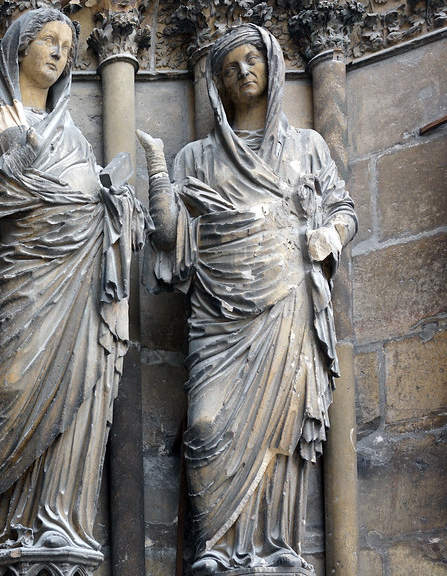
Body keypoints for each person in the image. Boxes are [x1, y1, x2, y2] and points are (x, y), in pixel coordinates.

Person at [137, 24, 356, 575]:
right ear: (216, 85)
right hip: (217, 315)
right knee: (207, 424)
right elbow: (169, 239)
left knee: (280, 435)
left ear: (274, 66)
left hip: (287, 304)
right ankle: (215, 546)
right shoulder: (195, 159)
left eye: (253, 59)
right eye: (230, 66)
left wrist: (331, 235)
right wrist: (160, 172)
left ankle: (277, 545)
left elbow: (343, 209)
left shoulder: (307, 146)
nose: (243, 70)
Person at [0, 7, 145, 559]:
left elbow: (97, 202)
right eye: (49, 41)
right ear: (17, 50)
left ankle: (62, 519)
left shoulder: (78, 140)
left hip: (83, 282)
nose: (60, 53)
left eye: (67, 45)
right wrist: (18, 159)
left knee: (81, 396)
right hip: (29, 280)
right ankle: (10, 523)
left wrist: (119, 208)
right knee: (15, 385)